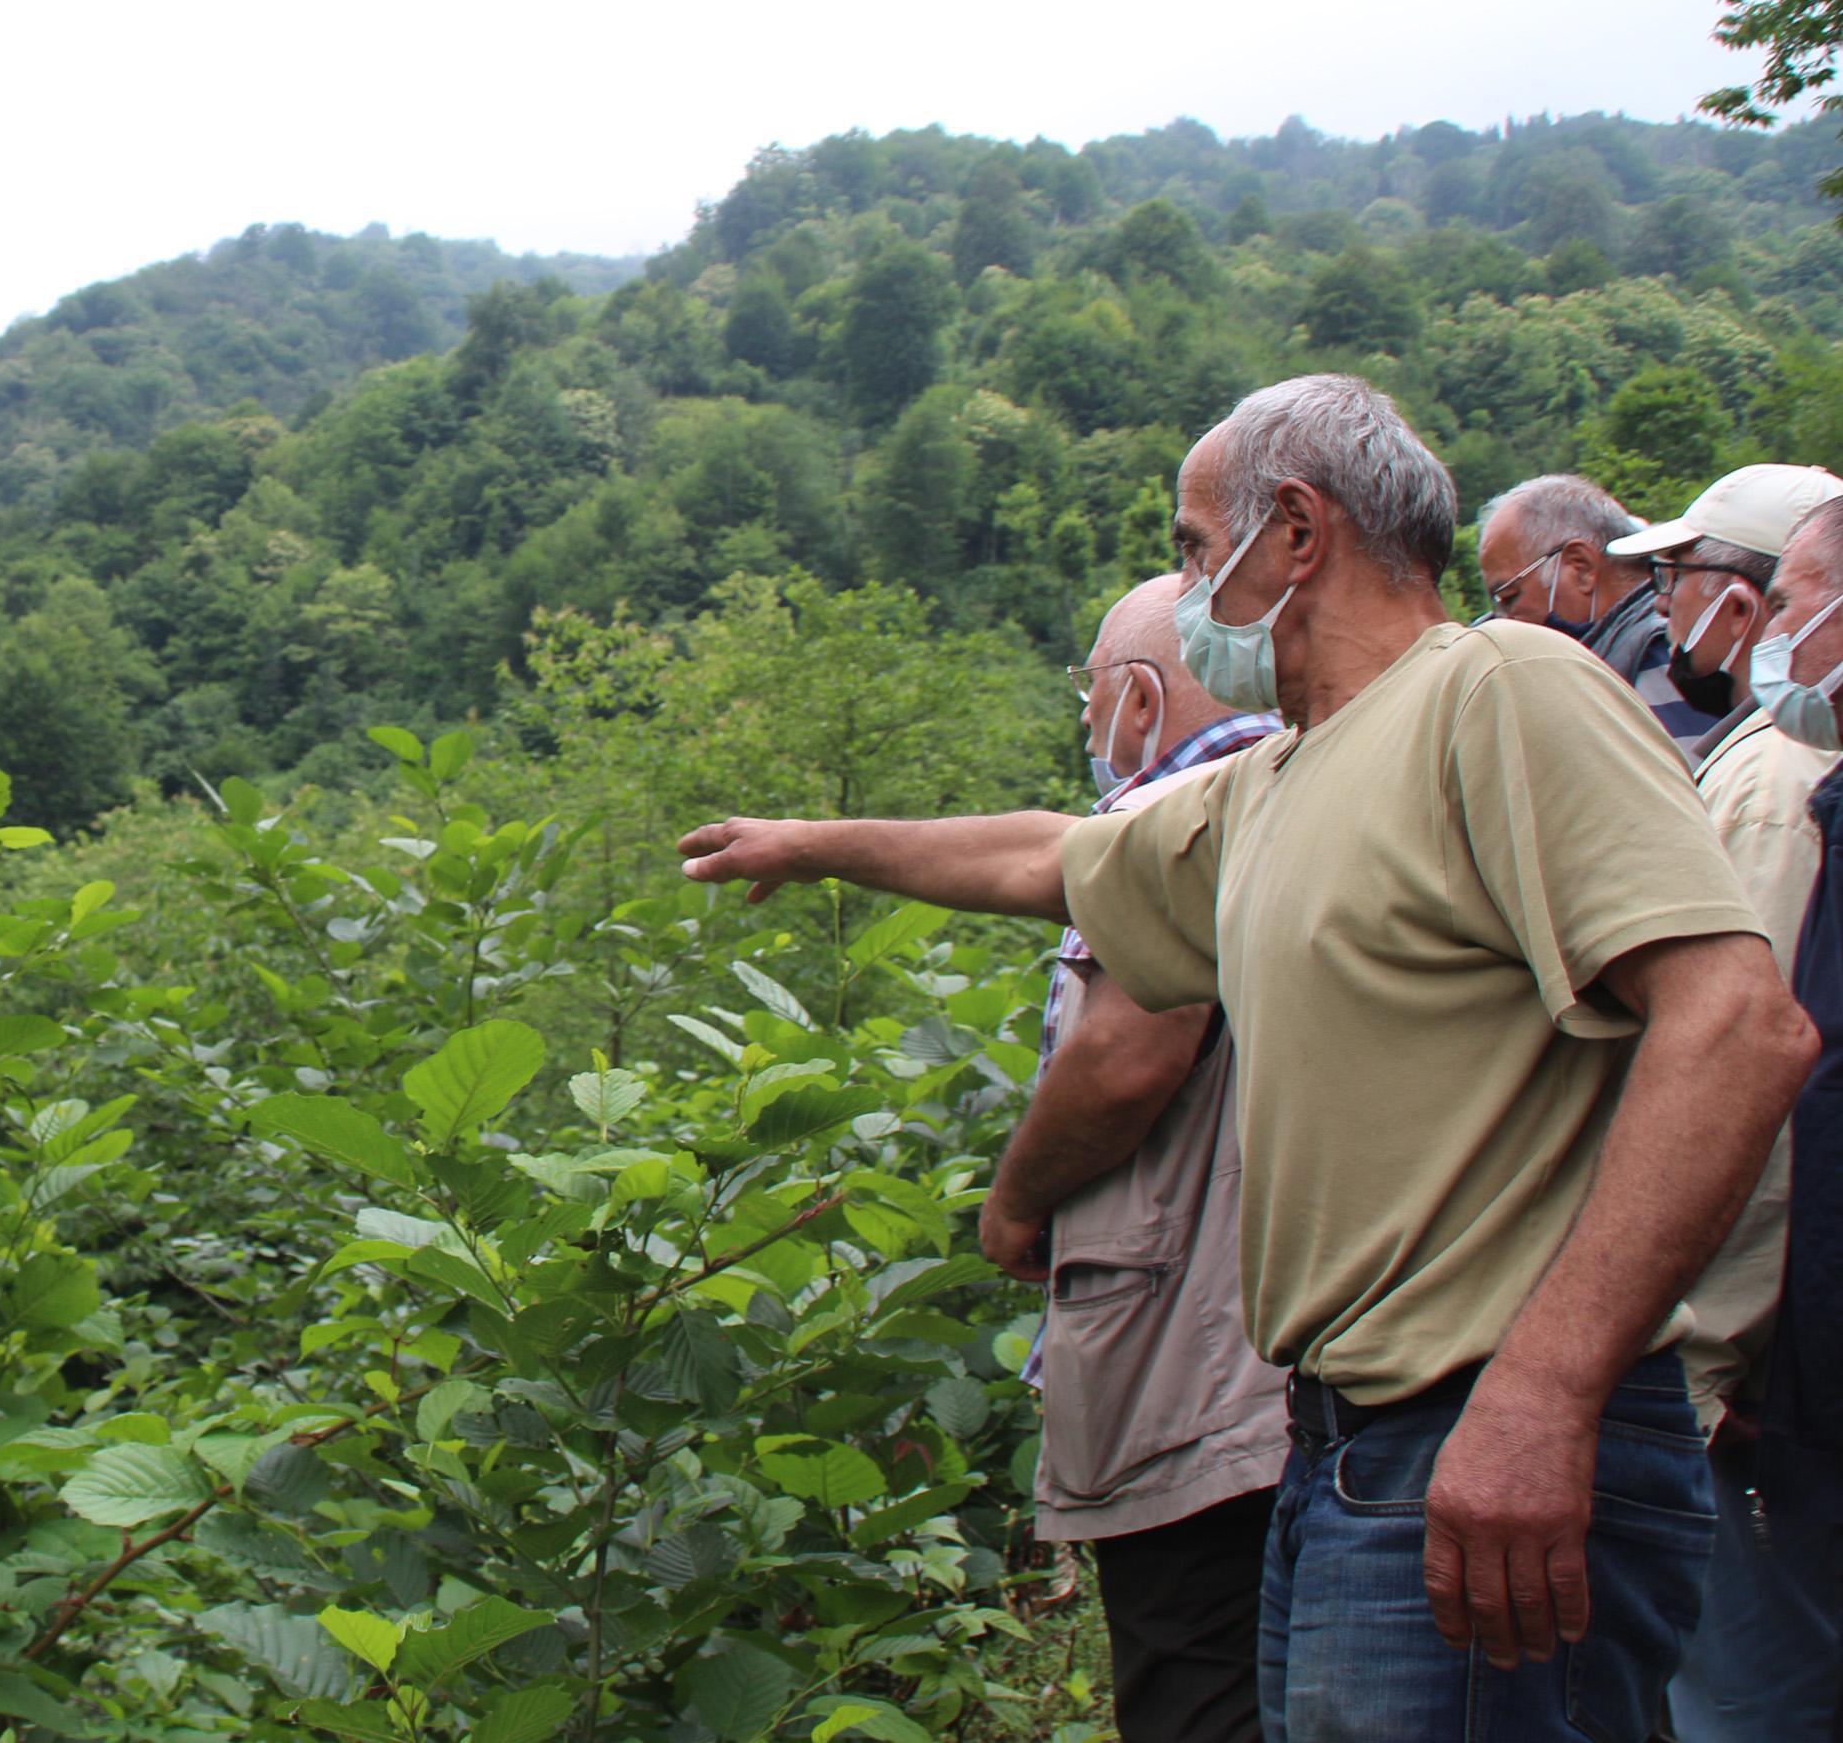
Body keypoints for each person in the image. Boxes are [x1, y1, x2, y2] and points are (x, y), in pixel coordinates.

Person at [678, 374, 1813, 1742]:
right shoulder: (1284, 775)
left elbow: (1738, 1027)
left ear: (1295, 531)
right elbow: (1055, 852)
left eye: (1191, 545)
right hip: (1347, 1451)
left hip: (1481, 1432)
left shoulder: (1505, 694)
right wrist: (815, 844)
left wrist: (1546, 1389)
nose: (1185, 580)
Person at [1005, 574, 1285, 1743]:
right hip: (1289, 1365)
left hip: (1198, 1373)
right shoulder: (1300, 790)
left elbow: (1128, 1051)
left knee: (1195, 1682)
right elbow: (1018, 853)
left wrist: (1015, 1208)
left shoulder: (1180, 817)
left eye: (1089, 690)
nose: (1084, 723)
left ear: (1134, 693)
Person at [1603, 465, 1843, 1740]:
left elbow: (1748, 1068)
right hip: (1781, 1338)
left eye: (1678, 578)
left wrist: (1726, 1338)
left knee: (1749, 1689)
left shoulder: (1771, 780)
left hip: (1750, 1355)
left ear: (1750, 606)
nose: (1661, 606)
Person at [1478, 473, 1719, 744]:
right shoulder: (1634, 646)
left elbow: (1691, 781)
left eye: (1509, 597)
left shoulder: (1659, 655)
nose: (1504, 622)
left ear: (1581, 568)